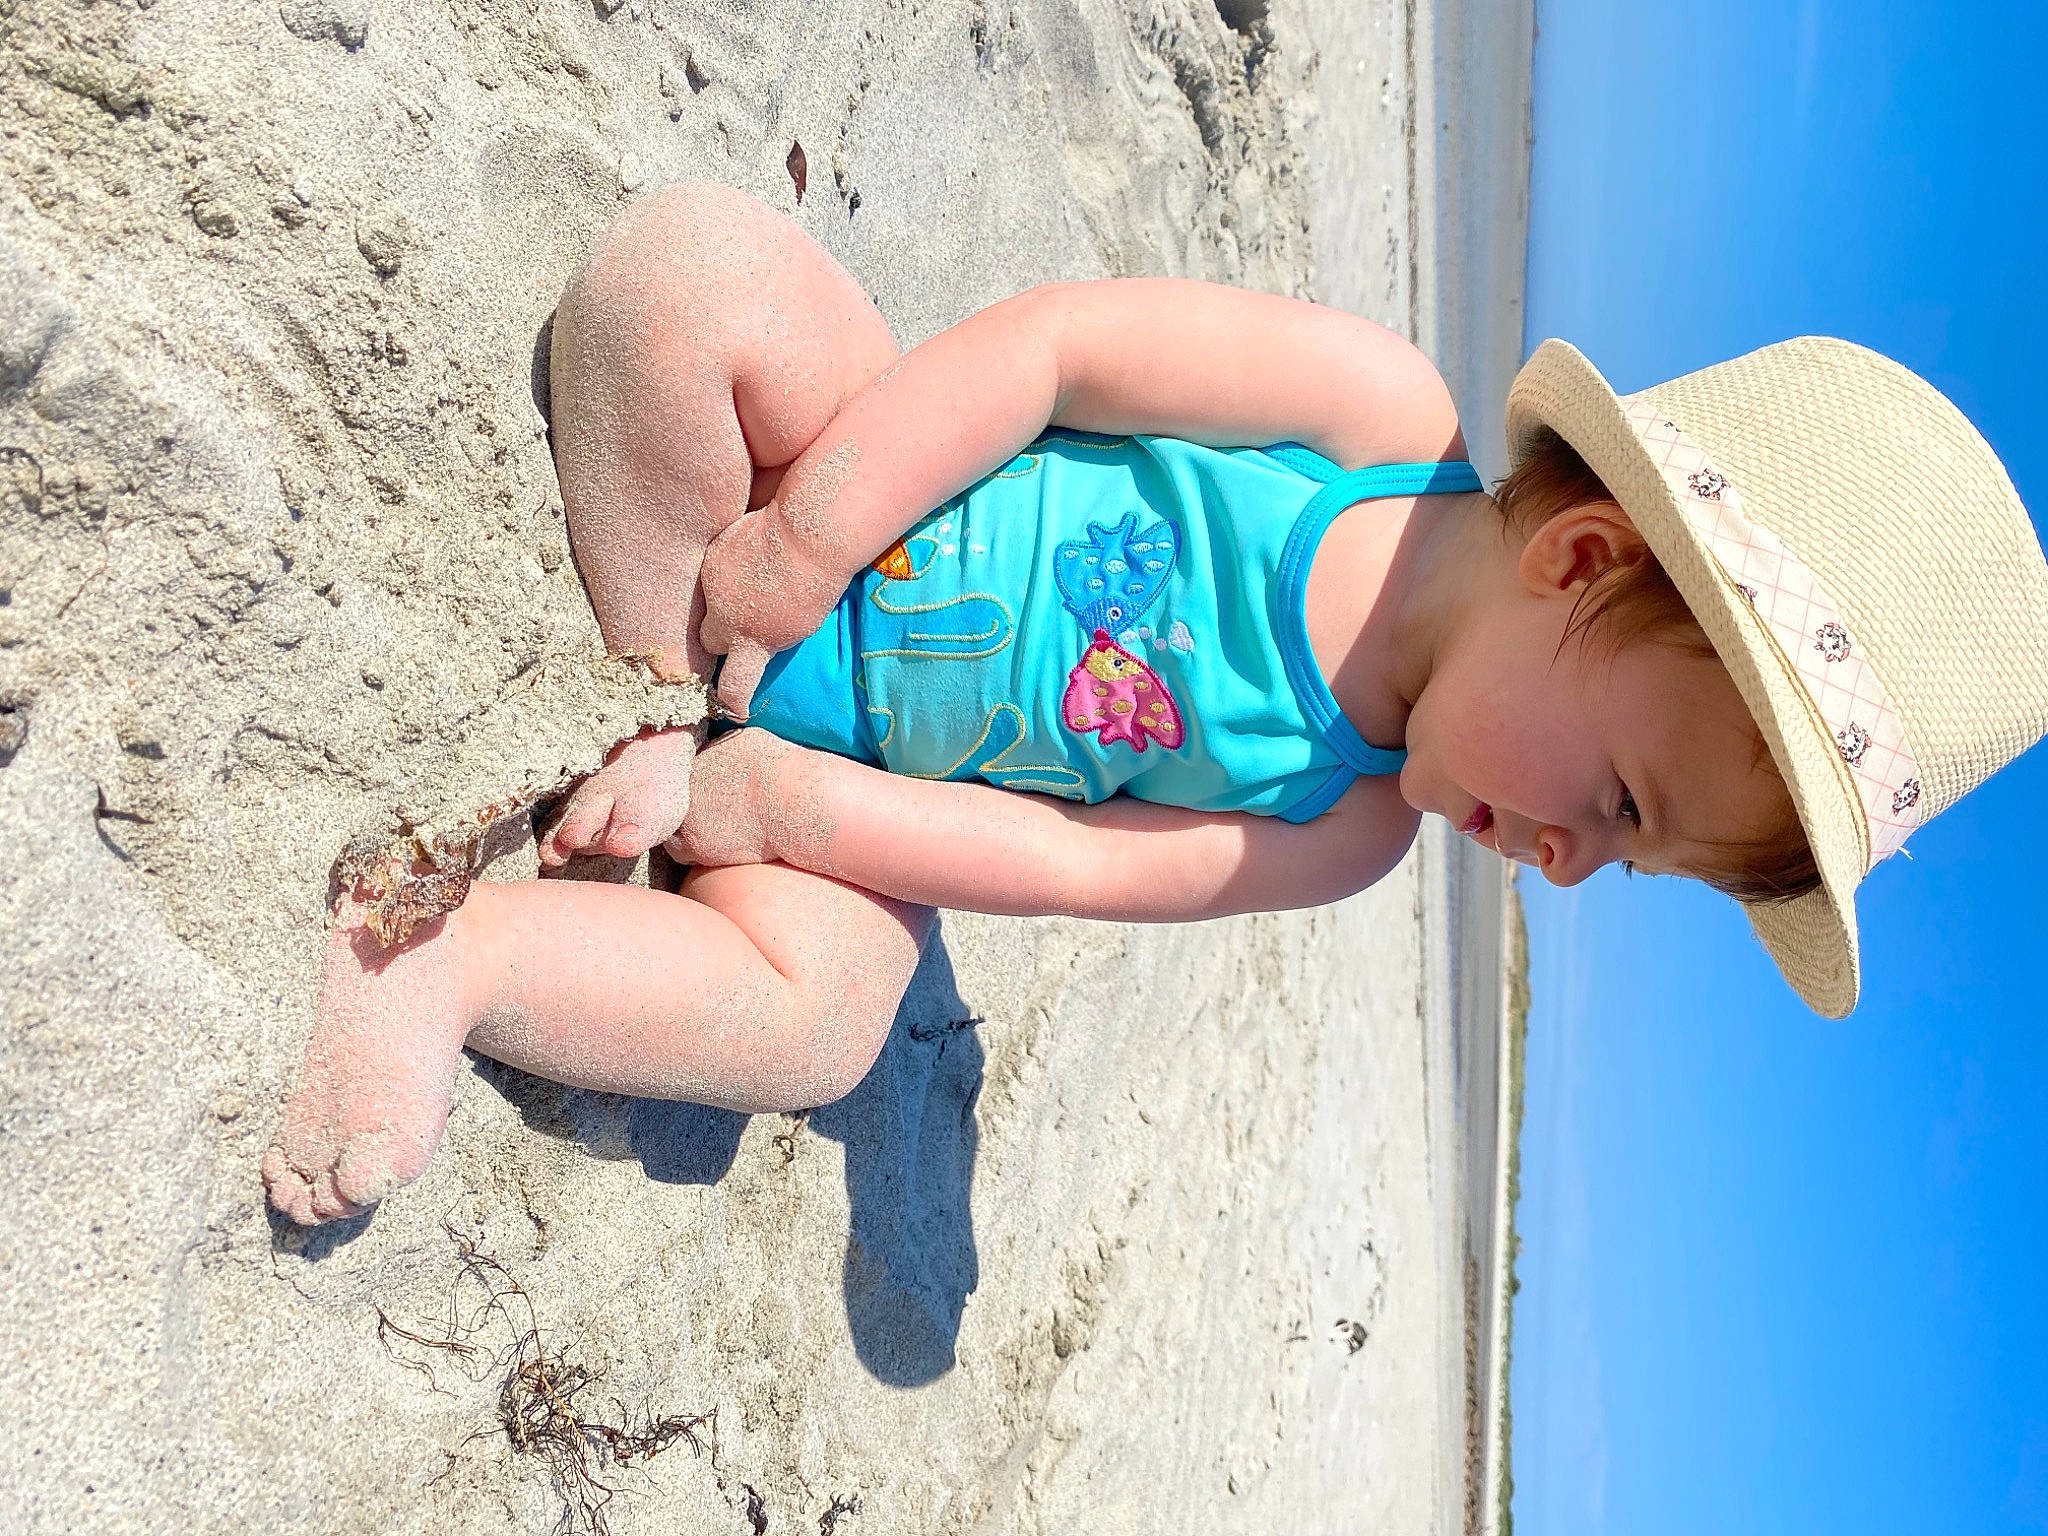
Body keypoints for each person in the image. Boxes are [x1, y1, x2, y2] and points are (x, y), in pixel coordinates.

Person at [263, 183, 2048, 1226]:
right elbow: (1049, 351)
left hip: (846, 784)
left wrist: (786, 809)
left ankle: (452, 958)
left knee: (823, 1025)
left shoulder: (1345, 828)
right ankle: (644, 679)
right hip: (839, 497)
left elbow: (1061, 859)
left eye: (1630, 870)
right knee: (692, 272)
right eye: (1628, 806)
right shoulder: (1366, 415)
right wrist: (806, 535)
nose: (1574, 869)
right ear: (1581, 561)